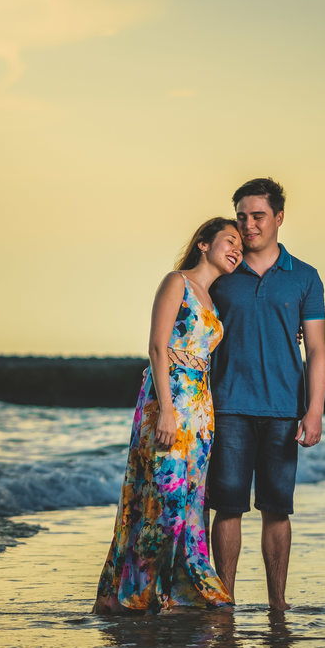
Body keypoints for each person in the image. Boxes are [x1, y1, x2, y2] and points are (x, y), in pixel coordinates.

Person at [93, 217, 243, 614]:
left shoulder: (215, 299)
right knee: (163, 499)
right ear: (203, 245)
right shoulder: (177, 281)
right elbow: (158, 347)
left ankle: (179, 592)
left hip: (201, 413)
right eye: (229, 240)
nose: (236, 250)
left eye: (241, 247)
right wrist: (166, 411)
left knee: (192, 503)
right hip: (169, 402)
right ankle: (135, 594)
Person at [208, 178, 325, 611]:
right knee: (228, 509)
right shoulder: (221, 274)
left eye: (257, 215)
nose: (248, 225)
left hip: (283, 410)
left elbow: (316, 349)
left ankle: (279, 603)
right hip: (227, 408)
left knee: (277, 510)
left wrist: (313, 411)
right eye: (241, 216)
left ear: (278, 217)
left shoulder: (305, 277)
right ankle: (224, 601)